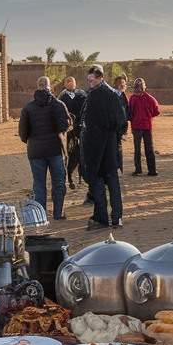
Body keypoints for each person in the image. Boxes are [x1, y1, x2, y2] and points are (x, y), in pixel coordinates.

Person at [18, 76, 72, 220]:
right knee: (58, 182)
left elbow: (22, 133)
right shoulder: (58, 104)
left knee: (39, 185)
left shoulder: (28, 108)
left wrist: (32, 141)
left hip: (35, 151)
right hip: (55, 150)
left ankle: (41, 215)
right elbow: (65, 126)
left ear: (38, 86)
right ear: (49, 87)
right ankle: (58, 213)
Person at [80, 64, 126, 229]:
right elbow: (121, 121)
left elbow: (89, 124)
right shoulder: (114, 94)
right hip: (110, 146)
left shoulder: (94, 96)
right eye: (88, 80)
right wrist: (114, 136)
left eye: (92, 80)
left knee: (98, 181)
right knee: (113, 182)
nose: (90, 83)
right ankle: (117, 218)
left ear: (100, 78)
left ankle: (101, 218)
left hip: (97, 148)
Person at [57, 75, 87, 190]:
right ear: (64, 84)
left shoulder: (82, 94)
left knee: (82, 151)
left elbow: (86, 109)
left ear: (75, 83)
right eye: (68, 81)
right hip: (68, 129)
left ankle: (82, 175)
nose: (70, 83)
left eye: (72, 81)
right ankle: (68, 176)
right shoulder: (62, 97)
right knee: (69, 153)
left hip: (81, 127)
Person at [128, 77, 161, 176]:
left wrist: (136, 119)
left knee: (140, 149)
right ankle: (151, 170)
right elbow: (156, 112)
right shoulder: (149, 99)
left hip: (140, 127)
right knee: (147, 149)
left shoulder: (134, 98)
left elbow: (129, 114)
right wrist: (148, 118)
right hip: (144, 126)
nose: (138, 88)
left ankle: (141, 170)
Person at [112, 74, 131, 172]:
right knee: (112, 148)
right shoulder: (111, 95)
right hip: (112, 128)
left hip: (121, 128)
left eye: (123, 83)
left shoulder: (123, 96)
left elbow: (126, 113)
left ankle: (119, 169)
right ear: (115, 84)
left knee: (118, 148)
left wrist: (125, 129)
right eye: (120, 83)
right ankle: (113, 169)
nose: (122, 84)